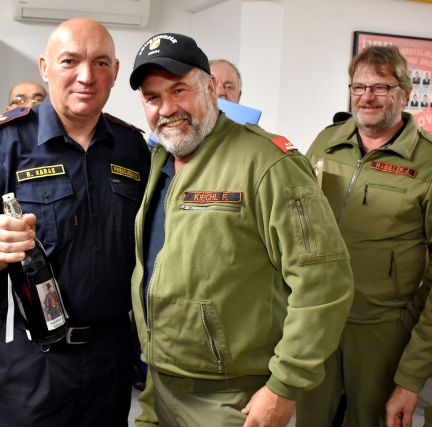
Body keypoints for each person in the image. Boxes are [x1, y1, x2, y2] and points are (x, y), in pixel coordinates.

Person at [128, 32, 354, 426]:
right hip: (158, 382)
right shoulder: (157, 160)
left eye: (179, 90)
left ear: (211, 88)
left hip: (230, 397)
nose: (167, 108)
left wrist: (285, 384)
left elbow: (324, 280)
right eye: (152, 97)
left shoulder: (268, 162)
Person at [0, 18, 150, 427]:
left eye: (100, 63)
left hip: (110, 357)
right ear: (45, 67)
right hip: (33, 360)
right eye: (69, 61)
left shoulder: (132, 148)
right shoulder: (0, 141)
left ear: (115, 71)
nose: (86, 76)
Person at [295, 45, 432, 427]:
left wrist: (411, 376)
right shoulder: (327, 142)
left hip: (382, 330)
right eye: (358, 87)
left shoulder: (426, 162)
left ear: (405, 94)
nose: (366, 97)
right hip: (318, 317)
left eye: (380, 87)